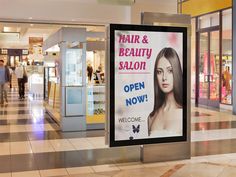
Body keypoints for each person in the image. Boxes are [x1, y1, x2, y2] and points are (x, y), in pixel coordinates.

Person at [148, 47, 183, 136]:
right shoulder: (152, 116)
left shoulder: (183, 114)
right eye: (159, 72)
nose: (164, 77)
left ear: (177, 72)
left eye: (170, 71)